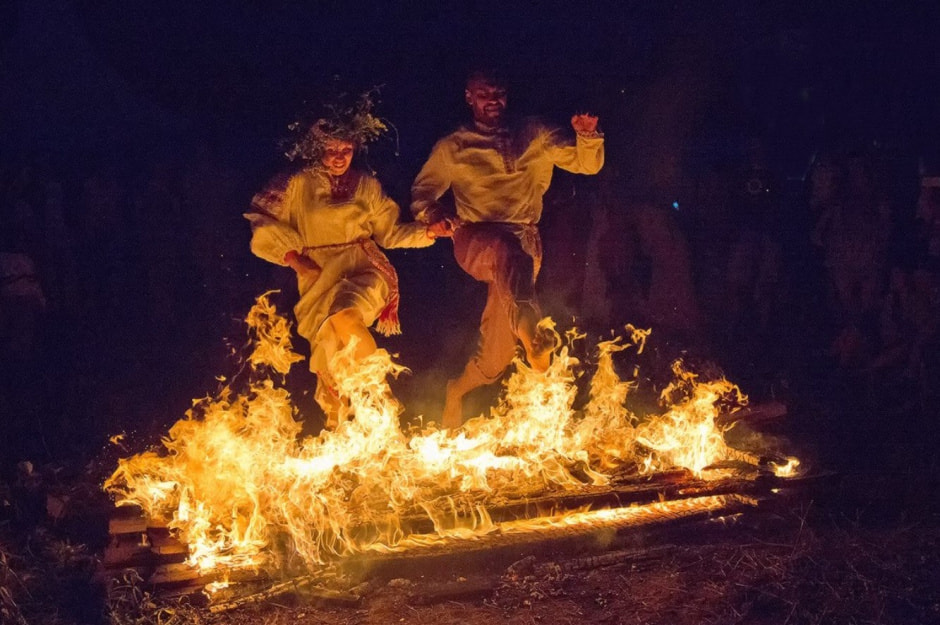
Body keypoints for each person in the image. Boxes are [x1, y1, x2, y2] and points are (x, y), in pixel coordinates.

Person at [411, 68, 604, 428]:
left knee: (497, 356)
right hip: (475, 238)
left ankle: (459, 391)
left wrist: (587, 136)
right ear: (469, 97)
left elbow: (587, 165)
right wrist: (434, 214)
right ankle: (533, 337)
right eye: (484, 93)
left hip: (525, 240)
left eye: (498, 93)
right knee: (505, 251)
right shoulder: (454, 145)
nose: (493, 100)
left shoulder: (535, 133)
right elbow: (422, 193)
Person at [246, 95, 449, 428]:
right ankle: (339, 429)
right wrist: (295, 260)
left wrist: (428, 232)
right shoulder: (295, 184)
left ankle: (382, 401)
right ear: (315, 148)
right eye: (331, 149)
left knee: (345, 315)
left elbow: (390, 233)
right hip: (317, 275)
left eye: (346, 150)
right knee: (331, 367)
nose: (339, 157)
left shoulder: (367, 186)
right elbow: (261, 223)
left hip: (361, 266)